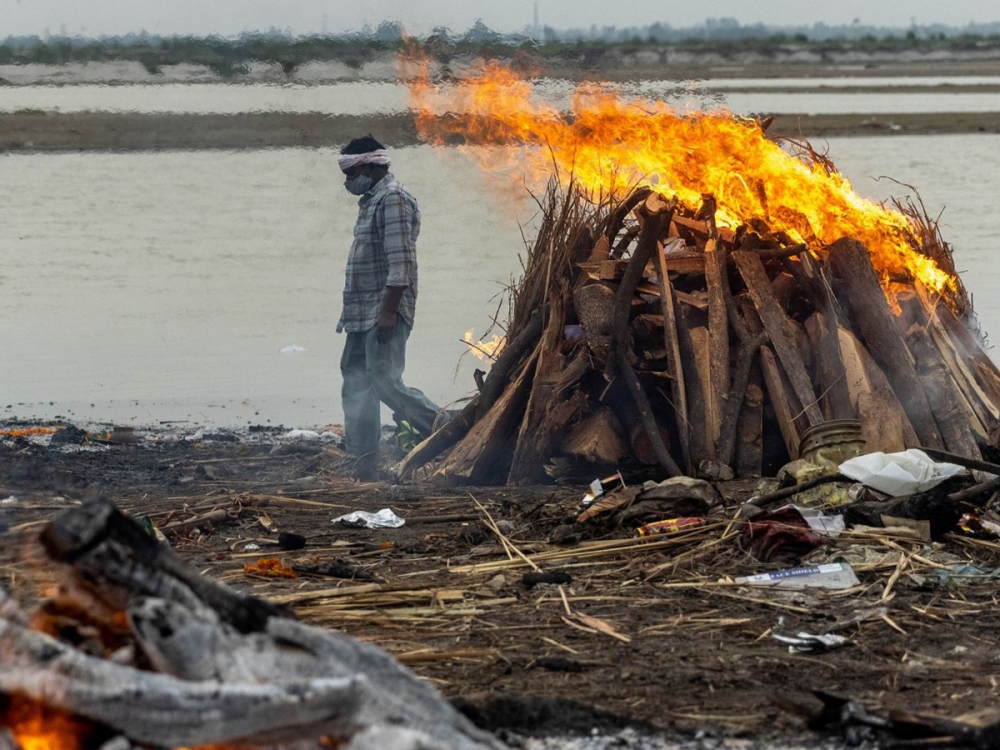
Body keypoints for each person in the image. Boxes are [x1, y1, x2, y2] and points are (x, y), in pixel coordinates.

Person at [336, 136, 442, 479]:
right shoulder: (372, 201)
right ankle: (363, 459)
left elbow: (401, 265)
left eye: (352, 172)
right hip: (360, 312)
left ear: (370, 166)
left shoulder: (393, 199)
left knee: (385, 382)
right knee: (356, 380)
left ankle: (447, 431)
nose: (348, 181)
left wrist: (387, 312)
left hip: (383, 312)